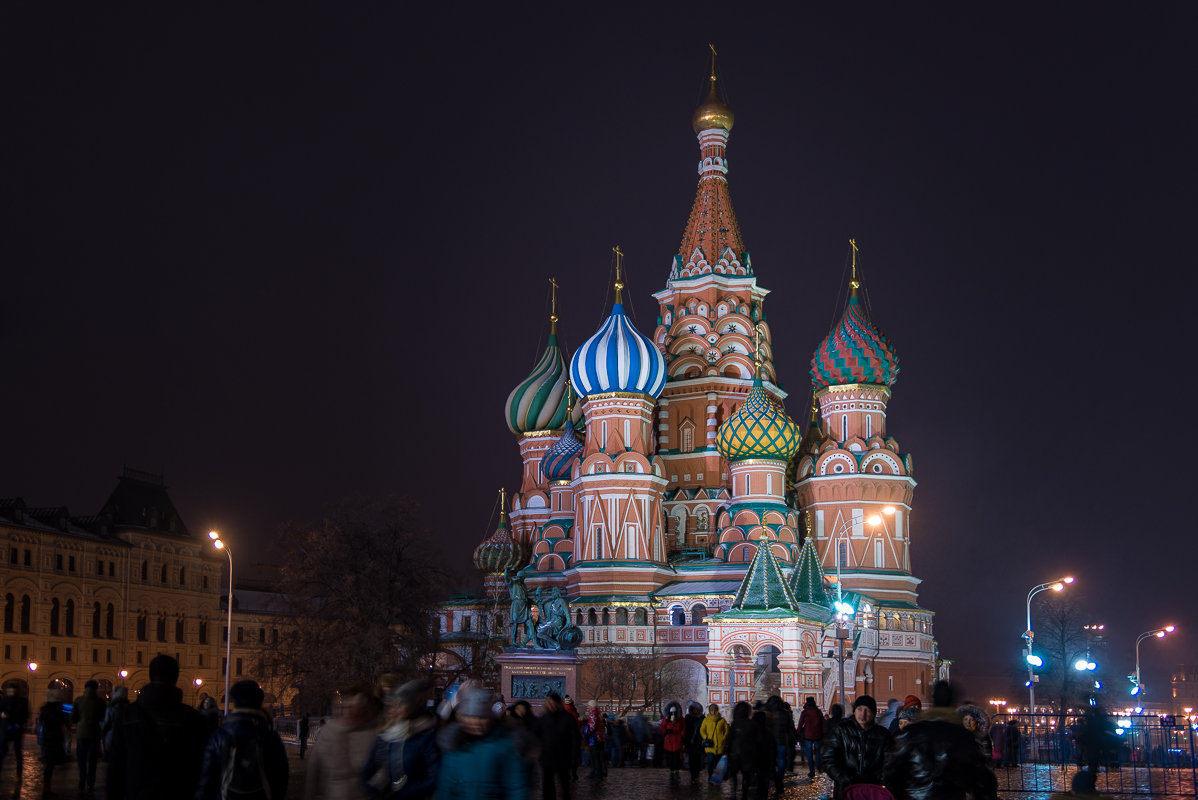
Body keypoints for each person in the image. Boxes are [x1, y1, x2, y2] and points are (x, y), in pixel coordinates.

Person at [107, 654, 209, 800]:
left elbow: (115, 766)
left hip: (136, 792)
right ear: (176, 677)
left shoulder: (127, 715)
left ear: (150, 675)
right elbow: (201, 768)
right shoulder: (192, 718)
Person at [884, 680, 997, 800]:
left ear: (932, 699)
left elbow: (892, 772)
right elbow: (982, 778)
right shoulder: (963, 736)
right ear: (953, 701)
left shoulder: (912, 733)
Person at [196, 679, 289, 800]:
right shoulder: (270, 737)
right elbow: (281, 779)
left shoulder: (219, 736)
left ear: (234, 701)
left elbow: (206, 779)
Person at [434, 686, 527, 800]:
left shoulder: (504, 747)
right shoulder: (453, 748)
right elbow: (445, 788)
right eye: (471, 716)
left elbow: (516, 787)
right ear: (461, 717)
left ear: (491, 719)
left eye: (482, 717)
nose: (476, 722)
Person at [362, 679, 439, 799]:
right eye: (393, 705)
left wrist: (402, 792)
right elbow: (369, 770)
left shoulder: (423, 737)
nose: (396, 710)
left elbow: (433, 778)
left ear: (411, 707)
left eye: (401, 704)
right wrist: (373, 789)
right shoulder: (385, 737)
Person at [304, 684, 379, 800]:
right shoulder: (328, 732)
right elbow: (313, 769)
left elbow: (382, 771)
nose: (349, 712)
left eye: (354, 707)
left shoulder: (373, 733)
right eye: (346, 707)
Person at [822, 695, 892, 797]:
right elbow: (828, 758)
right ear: (854, 711)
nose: (862, 714)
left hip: (872, 791)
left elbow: (889, 762)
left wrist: (881, 779)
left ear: (873, 714)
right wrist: (843, 778)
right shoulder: (841, 730)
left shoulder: (883, 734)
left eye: (867, 710)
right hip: (846, 790)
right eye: (859, 709)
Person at [537, 692, 579, 800]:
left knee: (565, 787)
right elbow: (537, 736)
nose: (550, 705)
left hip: (563, 758)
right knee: (548, 789)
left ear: (557, 703)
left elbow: (575, 739)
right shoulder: (544, 718)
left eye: (552, 702)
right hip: (547, 758)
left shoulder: (568, 718)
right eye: (548, 702)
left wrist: (574, 758)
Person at [70, 679, 108, 792]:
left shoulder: (78, 700)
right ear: (96, 689)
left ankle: (82, 776)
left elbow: (73, 718)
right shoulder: (100, 702)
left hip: (81, 733)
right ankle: (91, 783)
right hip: (95, 734)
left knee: (81, 758)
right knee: (93, 760)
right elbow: (103, 718)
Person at [37, 689, 70, 796]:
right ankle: (46, 789)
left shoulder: (44, 708)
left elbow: (41, 723)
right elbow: (65, 724)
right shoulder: (60, 709)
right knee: (50, 764)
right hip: (55, 738)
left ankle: (46, 787)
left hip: (46, 738)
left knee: (49, 764)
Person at [0, 683, 31, 782]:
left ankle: (19, 773)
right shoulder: (3, 701)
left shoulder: (22, 701)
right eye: (9, 691)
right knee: (2, 752)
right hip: (5, 729)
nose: (11, 693)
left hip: (17, 729)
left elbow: (26, 714)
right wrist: (2, 714)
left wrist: (20, 722)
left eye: (13, 691)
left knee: (18, 752)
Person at [724, 701, 755, 799]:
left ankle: (733, 792)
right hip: (747, 754)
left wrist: (726, 750)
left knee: (734, 775)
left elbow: (729, 738)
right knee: (746, 775)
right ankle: (744, 795)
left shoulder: (735, 723)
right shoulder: (751, 723)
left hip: (735, 753)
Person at [749, 708, 776, 800]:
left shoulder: (751, 731)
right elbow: (772, 747)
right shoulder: (768, 732)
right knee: (764, 780)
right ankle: (763, 795)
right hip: (765, 760)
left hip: (754, 759)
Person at [796, 697, 824, 779]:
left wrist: (798, 733)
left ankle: (812, 771)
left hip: (808, 735)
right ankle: (818, 765)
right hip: (818, 735)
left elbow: (800, 724)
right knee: (817, 751)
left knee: (809, 753)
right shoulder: (818, 712)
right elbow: (823, 723)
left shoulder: (805, 712)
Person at [700, 704, 729, 782]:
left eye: (714, 710)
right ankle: (710, 776)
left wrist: (723, 738)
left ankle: (716, 777)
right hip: (710, 745)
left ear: (717, 710)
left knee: (717, 762)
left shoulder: (722, 720)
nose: (713, 712)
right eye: (712, 710)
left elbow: (727, 730)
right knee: (710, 761)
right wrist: (706, 737)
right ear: (710, 711)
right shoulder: (706, 720)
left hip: (719, 745)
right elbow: (702, 730)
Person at [661, 701, 685, 780]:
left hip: (677, 741)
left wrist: (681, 735)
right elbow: (662, 727)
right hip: (669, 741)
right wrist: (666, 732)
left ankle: (676, 771)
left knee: (676, 758)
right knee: (670, 758)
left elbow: (683, 729)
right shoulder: (666, 718)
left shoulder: (680, 719)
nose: (673, 714)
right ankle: (672, 772)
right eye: (672, 712)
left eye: (674, 712)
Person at [583, 700, 606, 780]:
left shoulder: (593, 714)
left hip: (595, 738)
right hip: (599, 738)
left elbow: (592, 727)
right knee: (597, 757)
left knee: (595, 757)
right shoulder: (598, 713)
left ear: (592, 706)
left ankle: (597, 774)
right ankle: (596, 772)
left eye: (588, 705)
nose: (587, 707)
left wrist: (586, 730)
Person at [684, 702, 705, 783]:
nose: (695, 711)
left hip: (699, 742)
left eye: (696, 709)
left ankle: (696, 775)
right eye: (694, 709)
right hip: (691, 742)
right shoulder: (688, 718)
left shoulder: (702, 718)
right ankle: (693, 776)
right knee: (692, 760)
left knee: (698, 760)